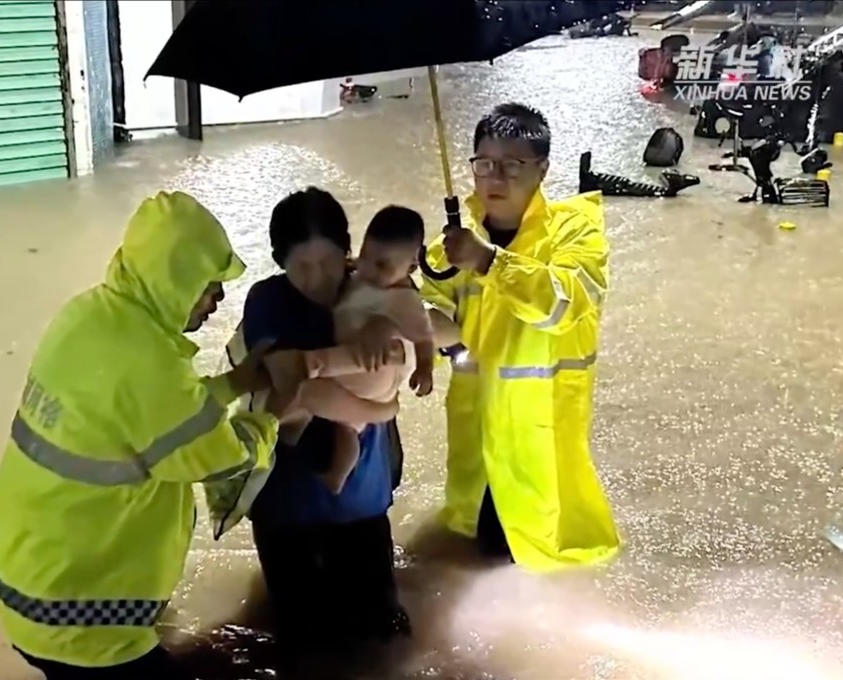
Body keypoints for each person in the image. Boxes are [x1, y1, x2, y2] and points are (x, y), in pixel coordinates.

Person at [0, 191, 301, 679]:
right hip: (80, 618)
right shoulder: (152, 369)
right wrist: (276, 411)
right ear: (174, 279)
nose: (218, 299)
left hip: (25, 579)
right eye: (209, 285)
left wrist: (234, 384)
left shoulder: (89, 316)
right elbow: (225, 457)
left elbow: (146, 416)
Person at [420, 103, 621, 571]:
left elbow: (564, 303)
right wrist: (411, 311)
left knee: (537, 555)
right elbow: (433, 308)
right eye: (484, 164)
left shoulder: (576, 231)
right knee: (472, 559)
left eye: (512, 165)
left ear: (543, 169)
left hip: (538, 433)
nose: (495, 178)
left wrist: (490, 261)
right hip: (477, 431)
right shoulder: (451, 244)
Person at [243, 187, 411, 654]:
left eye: (330, 263)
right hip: (287, 500)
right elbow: (292, 384)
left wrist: (385, 325)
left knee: (383, 636)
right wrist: (380, 410)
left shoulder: (379, 287)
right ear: (279, 261)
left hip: (363, 496)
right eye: (302, 267)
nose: (318, 279)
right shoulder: (267, 301)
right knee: (302, 641)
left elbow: (433, 324)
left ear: (349, 253)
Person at [265, 205, 435, 494]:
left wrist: (424, 368)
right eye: (365, 256)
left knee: (305, 389)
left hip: (367, 370)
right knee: (346, 430)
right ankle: (332, 473)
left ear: (411, 267)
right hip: (359, 384)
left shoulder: (404, 299)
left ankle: (266, 432)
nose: (368, 269)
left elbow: (427, 336)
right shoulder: (356, 276)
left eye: (381, 265)